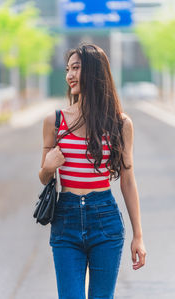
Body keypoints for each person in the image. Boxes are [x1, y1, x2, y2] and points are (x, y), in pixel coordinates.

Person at [39, 44, 146, 299]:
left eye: (76, 68)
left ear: (95, 72)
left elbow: (128, 181)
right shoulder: (55, 121)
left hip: (105, 220)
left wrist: (138, 236)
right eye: (68, 69)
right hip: (66, 220)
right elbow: (43, 177)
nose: (69, 75)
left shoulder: (120, 123)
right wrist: (48, 166)